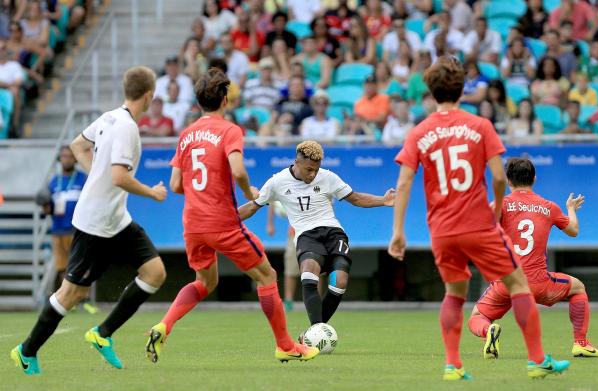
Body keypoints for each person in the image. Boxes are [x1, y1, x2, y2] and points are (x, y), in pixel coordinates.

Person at [388, 56, 570, 380]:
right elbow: (500, 178)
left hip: (442, 229)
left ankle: (452, 366)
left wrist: (398, 232)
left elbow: (403, 183)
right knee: (518, 286)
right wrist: (498, 206)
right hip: (478, 223)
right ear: (463, 89)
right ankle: (537, 360)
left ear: (430, 90)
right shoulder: (480, 126)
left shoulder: (419, 132)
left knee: (454, 294)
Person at [145, 68, 319, 364]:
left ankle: (164, 325)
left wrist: (202, 192)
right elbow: (238, 170)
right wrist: (250, 194)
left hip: (192, 224)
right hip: (221, 222)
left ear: (199, 102)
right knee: (267, 275)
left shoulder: (186, 135)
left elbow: (176, 184)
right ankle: (286, 345)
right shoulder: (229, 130)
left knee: (204, 281)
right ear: (225, 100)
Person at [11, 66, 168, 375]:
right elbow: (120, 176)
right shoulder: (126, 128)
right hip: (96, 222)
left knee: (155, 272)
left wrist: (96, 172)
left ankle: (102, 333)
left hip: (116, 218)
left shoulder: (109, 117)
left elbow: (77, 145)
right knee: (72, 294)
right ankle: (26, 351)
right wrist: (151, 192)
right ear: (148, 95)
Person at [238, 140, 395, 328]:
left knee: (340, 281)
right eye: (309, 170)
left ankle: (315, 331)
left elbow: (356, 198)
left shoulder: (328, 177)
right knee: (308, 273)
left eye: (316, 169)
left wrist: (384, 200)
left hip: (333, 232)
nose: (313, 174)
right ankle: (317, 331)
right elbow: (251, 207)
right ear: (297, 162)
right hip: (306, 235)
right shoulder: (277, 182)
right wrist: (225, 220)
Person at [468, 158, 598, 358]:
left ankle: (488, 331)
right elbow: (573, 230)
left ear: (508, 181)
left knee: (478, 316)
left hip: (506, 282)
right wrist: (571, 209)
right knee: (578, 288)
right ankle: (581, 343)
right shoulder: (548, 206)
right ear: (534, 178)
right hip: (539, 283)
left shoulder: (500, 205)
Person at [43, 146, 93, 312]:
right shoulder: (54, 181)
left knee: (81, 265)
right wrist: (44, 204)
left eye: (70, 156)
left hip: (77, 229)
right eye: (64, 156)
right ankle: (67, 300)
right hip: (58, 230)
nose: (67, 159)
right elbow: (48, 209)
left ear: (75, 159)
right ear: (60, 159)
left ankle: (85, 300)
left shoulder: (82, 179)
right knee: (62, 267)